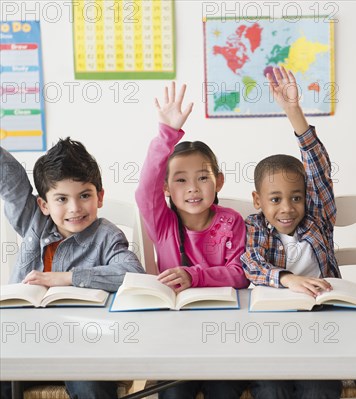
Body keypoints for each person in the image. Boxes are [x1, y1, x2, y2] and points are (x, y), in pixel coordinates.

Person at [0, 140, 144, 399]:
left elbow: (133, 273)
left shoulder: (106, 236)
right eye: (62, 199)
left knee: (89, 385)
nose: (75, 208)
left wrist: (67, 278)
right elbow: (10, 178)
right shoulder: (34, 221)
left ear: (99, 196)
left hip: (85, 348)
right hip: (27, 344)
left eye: (85, 195)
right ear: (44, 205)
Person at [135, 82, 249, 399]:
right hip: (175, 335)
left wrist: (193, 275)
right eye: (181, 180)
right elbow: (145, 190)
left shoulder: (231, 221)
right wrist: (167, 133)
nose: (193, 188)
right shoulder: (163, 223)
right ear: (167, 189)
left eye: (202, 177)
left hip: (224, 333)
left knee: (223, 390)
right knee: (172, 393)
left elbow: (240, 274)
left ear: (218, 181)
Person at [241, 66, 342, 399]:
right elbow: (252, 264)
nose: (287, 208)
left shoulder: (317, 220)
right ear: (258, 201)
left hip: (320, 327)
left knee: (318, 388)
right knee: (271, 388)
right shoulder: (256, 227)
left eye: (296, 197)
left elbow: (317, 168)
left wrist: (294, 112)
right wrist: (288, 279)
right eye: (275, 199)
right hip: (271, 331)